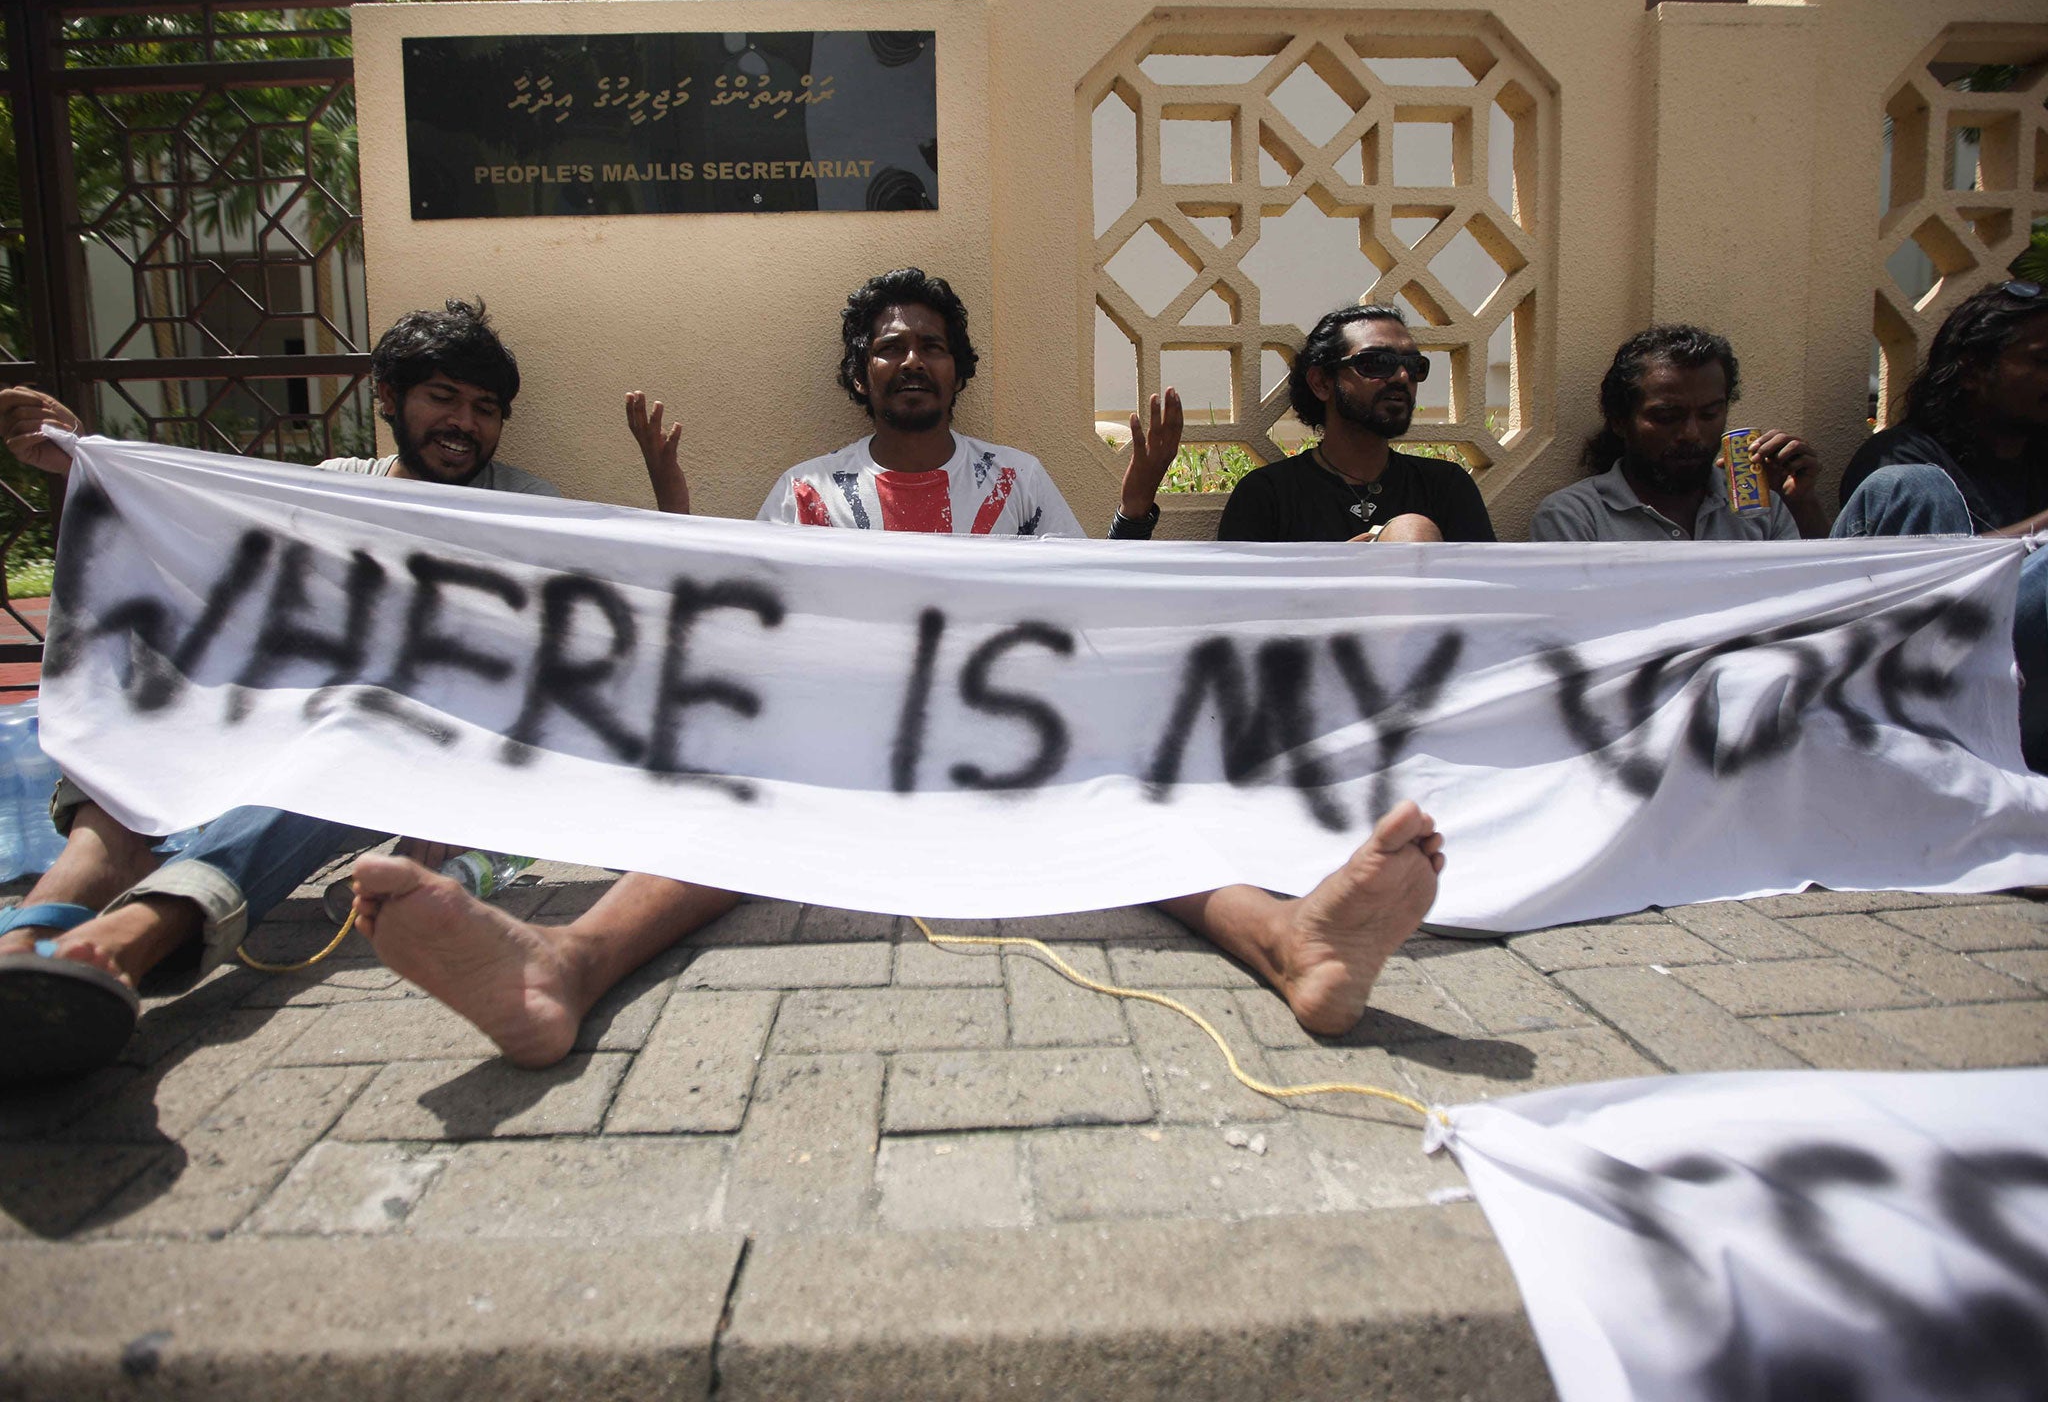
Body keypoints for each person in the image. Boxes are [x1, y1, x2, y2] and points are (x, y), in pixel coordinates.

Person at [348, 268, 1448, 1067]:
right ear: (858, 374)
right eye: (888, 346)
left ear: (960, 369)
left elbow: (1096, 618)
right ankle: (562, 968)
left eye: (929, 344)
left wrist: (1131, 508)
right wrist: (675, 514)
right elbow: (738, 643)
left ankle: (1292, 941)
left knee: (1119, 809)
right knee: (737, 809)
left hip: (1014, 762)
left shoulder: (1014, 482)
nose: (909, 359)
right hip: (843, 764)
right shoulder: (807, 491)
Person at [0, 299, 632, 1084]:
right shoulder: (334, 486)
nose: (463, 423)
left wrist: (459, 796)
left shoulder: (525, 506)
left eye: (485, 408)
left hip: (397, 743)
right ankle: (27, 942)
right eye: (442, 397)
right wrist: (92, 467)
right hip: (272, 714)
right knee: (146, 729)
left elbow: (554, 673)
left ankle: (136, 941)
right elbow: (200, 541)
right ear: (388, 399)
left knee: (341, 746)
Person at [1831, 280, 2047, 770]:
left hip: (2022, 702)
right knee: (1913, 486)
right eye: (2041, 362)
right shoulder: (1900, 461)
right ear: (1972, 370)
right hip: (1923, 688)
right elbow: (1922, 581)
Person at [1218, 303, 1494, 545]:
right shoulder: (1268, 495)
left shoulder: (1445, 486)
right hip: (1312, 606)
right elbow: (1241, 599)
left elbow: (1483, 595)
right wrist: (1336, 573)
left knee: (1412, 532)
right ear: (1322, 382)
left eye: (1413, 365)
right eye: (1377, 362)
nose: (1401, 376)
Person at [1530, 323, 1829, 542]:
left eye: (1710, 414)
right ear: (1620, 420)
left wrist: (1800, 502)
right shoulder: (1575, 517)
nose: (1691, 433)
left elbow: (1819, 602)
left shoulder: (1762, 508)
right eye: (1667, 417)